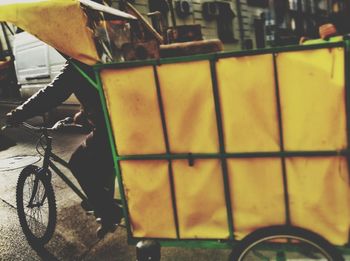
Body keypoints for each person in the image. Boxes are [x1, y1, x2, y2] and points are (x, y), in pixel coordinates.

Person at [6, 59, 122, 238]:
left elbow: (52, 93)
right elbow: (99, 90)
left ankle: (108, 212)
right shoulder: (95, 55)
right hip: (122, 122)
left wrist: (19, 113)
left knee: (79, 162)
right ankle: (103, 205)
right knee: (98, 162)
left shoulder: (78, 63)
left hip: (113, 126)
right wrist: (85, 114)